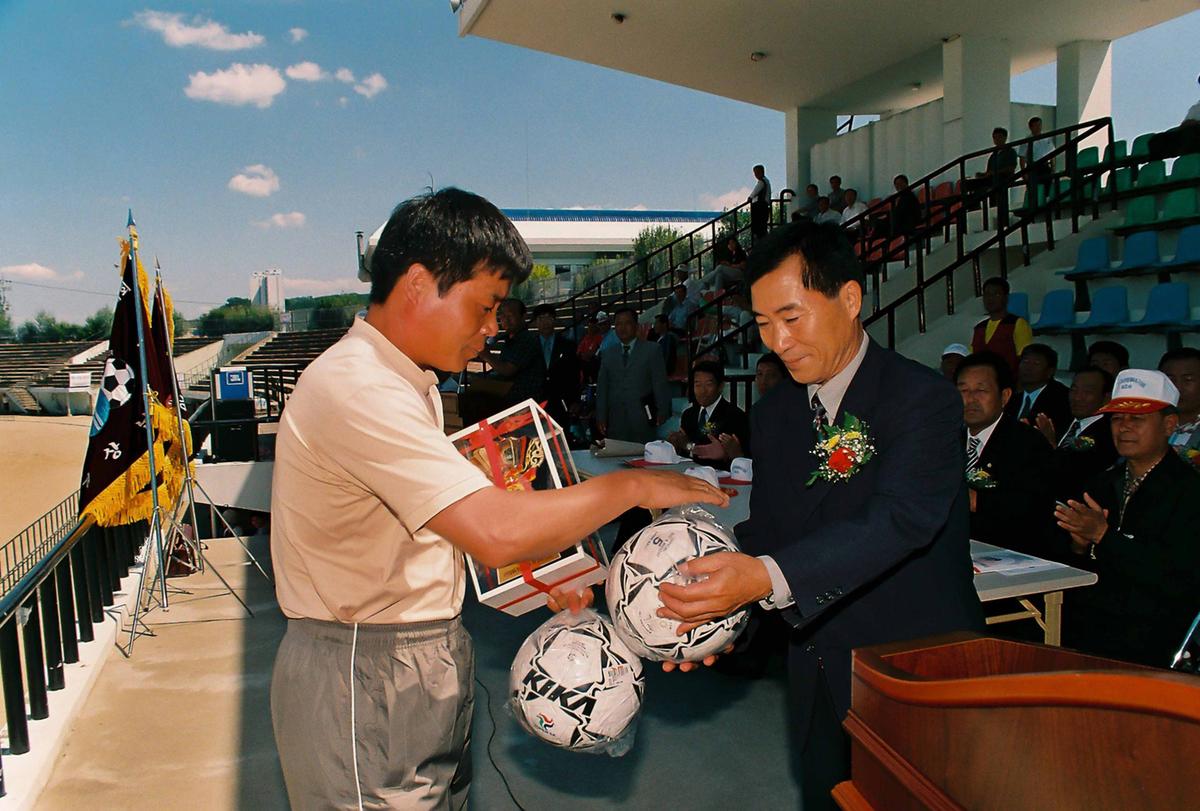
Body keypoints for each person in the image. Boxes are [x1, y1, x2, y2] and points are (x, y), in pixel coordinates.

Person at [269, 188, 727, 810]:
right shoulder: (358, 387)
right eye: (485, 307)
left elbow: (431, 534)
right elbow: (492, 529)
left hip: (415, 654)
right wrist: (634, 484)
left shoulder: (409, 383)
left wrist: (540, 576)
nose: (492, 329)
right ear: (417, 284)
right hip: (363, 669)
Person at [656, 220, 984, 810]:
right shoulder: (778, 412)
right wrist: (717, 620)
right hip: (817, 670)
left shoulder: (923, 399)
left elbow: (900, 521)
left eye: (792, 317)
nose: (777, 342)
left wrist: (761, 577)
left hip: (909, 670)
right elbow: (770, 535)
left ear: (850, 299)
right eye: (762, 325)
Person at [1056, 369, 1200, 667]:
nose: (1124, 428)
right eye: (1118, 419)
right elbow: (1079, 559)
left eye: (1137, 419)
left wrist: (1104, 536)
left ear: (1169, 424)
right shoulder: (1102, 482)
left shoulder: (1189, 491)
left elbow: (1176, 576)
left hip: (1156, 633)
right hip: (1095, 623)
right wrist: (1079, 545)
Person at [956, 351, 1054, 553]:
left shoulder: (1028, 443)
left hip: (1011, 553)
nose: (970, 399)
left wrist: (975, 500)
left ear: (1005, 396)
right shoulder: (943, 439)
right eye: (963, 390)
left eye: (981, 391)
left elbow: (1033, 506)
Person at [1039, 366, 1118, 502]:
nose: (1077, 398)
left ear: (1106, 398)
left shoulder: (1108, 432)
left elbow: (1073, 472)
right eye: (1074, 390)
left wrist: (1050, 445)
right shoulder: (1058, 419)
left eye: (1087, 392)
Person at [595, 307, 671, 443]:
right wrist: (601, 415)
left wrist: (663, 409)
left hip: (643, 416)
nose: (622, 328)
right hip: (616, 418)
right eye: (618, 324)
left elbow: (659, 382)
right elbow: (602, 387)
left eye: (627, 323)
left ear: (636, 326)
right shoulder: (607, 353)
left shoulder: (652, 350)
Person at [668, 360, 751, 466]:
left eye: (708, 384)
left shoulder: (735, 416)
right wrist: (677, 444)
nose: (702, 391)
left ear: (720, 386)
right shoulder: (689, 415)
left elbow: (744, 459)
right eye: (697, 385)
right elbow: (689, 450)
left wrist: (730, 454)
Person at [479, 297, 543, 406]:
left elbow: (507, 370)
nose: (506, 320)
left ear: (523, 316)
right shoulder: (509, 339)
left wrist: (486, 354)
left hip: (525, 401)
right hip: (511, 400)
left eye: (510, 316)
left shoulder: (527, 339)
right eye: (502, 316)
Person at [1006, 343, 1072, 443]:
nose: (1028, 368)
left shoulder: (1062, 398)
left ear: (1050, 371)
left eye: (1036, 364)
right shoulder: (1010, 396)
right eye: (1025, 362)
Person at [970, 276, 1032, 378]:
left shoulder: (1017, 323)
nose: (990, 298)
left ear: (1006, 297)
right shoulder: (979, 327)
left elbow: (1024, 359)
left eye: (996, 294)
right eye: (987, 294)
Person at [532, 302, 580, 428]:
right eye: (541, 319)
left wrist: (575, 400)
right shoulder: (529, 346)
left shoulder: (568, 345)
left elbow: (574, 375)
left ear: (554, 320)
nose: (545, 322)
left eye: (549, 318)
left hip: (560, 402)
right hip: (535, 402)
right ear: (535, 322)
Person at [1160, 347, 1200, 466]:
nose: (1177, 388)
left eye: (1188, 380)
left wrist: (1184, 453)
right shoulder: (1148, 423)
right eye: (1170, 380)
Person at [1148, 74, 1200, 160]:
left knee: (1191, 133)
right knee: (1156, 140)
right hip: (1190, 134)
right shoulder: (1196, 108)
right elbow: (1185, 124)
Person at [974, 126, 1018, 208]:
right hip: (993, 177)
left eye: (999, 137)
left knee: (995, 183)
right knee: (973, 184)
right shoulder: (993, 155)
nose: (997, 140)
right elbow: (989, 171)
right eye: (995, 138)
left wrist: (995, 172)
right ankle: (974, 207)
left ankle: (997, 207)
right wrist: (982, 174)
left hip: (1004, 177)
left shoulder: (1010, 151)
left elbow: (1011, 168)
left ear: (1005, 138)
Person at [1020, 116, 1054, 208]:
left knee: (1047, 184)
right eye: (1036, 125)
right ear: (1030, 127)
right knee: (1033, 188)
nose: (1038, 127)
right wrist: (1024, 173)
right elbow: (1022, 158)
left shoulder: (1046, 139)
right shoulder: (1026, 141)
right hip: (1032, 167)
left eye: (1040, 125)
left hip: (1045, 166)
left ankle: (1046, 202)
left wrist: (1053, 168)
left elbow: (1052, 155)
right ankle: (1033, 206)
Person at [889, 173, 921, 238]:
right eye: (896, 184)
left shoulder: (909, 196)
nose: (898, 186)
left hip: (909, 222)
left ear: (906, 183)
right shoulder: (900, 197)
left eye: (901, 183)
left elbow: (903, 212)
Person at [748, 163, 772, 239]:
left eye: (757, 173)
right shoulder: (766, 181)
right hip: (764, 206)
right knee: (762, 226)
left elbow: (755, 191)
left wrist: (750, 198)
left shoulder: (762, 182)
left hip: (760, 206)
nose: (755, 175)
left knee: (758, 226)